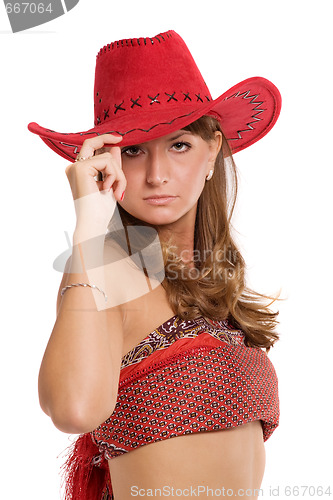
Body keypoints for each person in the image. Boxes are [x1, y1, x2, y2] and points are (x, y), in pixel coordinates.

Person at [28, 30, 281, 500]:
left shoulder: (217, 290)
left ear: (212, 153)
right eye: (133, 151)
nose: (156, 174)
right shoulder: (108, 265)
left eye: (179, 145)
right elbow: (74, 410)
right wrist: (90, 223)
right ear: (107, 161)